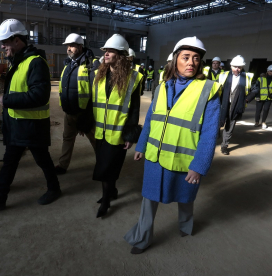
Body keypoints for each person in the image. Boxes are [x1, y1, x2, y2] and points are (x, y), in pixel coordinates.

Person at [124, 36, 221, 254]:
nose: (191, 62)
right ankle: (142, 237)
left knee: (185, 198)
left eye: (196, 58)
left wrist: (200, 165)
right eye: (186, 57)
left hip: (184, 160)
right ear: (175, 60)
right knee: (148, 198)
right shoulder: (161, 88)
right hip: (155, 155)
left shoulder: (209, 90)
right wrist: (141, 145)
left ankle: (185, 227)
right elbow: (150, 120)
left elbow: (209, 133)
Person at [0, 19, 61, 210]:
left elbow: (40, 95)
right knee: (9, 163)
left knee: (43, 160)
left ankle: (54, 188)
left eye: (4, 41)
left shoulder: (35, 62)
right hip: (17, 125)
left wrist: (8, 101)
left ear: (17, 40)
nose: (2, 46)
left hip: (32, 126)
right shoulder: (17, 62)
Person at [92, 34, 143, 218]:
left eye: (110, 50)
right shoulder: (100, 73)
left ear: (121, 55)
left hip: (119, 132)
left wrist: (130, 135)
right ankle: (110, 192)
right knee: (104, 166)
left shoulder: (133, 78)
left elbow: (135, 108)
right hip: (101, 131)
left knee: (108, 169)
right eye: (105, 50)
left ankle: (106, 201)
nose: (106, 53)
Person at [54, 33, 96, 175]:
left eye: (71, 46)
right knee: (67, 139)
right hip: (69, 113)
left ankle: (103, 164)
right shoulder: (68, 64)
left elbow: (96, 93)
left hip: (85, 113)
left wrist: (87, 116)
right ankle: (62, 165)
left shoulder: (91, 64)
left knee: (95, 141)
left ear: (80, 46)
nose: (68, 49)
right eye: (67, 46)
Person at [218, 55, 254, 155]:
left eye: (239, 67)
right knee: (217, 123)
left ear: (242, 67)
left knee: (230, 125)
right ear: (231, 66)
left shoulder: (247, 77)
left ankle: (224, 145)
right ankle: (213, 141)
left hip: (236, 105)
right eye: (235, 66)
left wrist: (246, 99)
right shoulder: (223, 75)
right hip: (222, 103)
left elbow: (255, 89)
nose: (237, 69)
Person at [247, 64, 272, 129]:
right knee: (258, 110)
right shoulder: (260, 78)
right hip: (260, 97)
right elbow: (257, 88)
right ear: (267, 71)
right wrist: (258, 96)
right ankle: (257, 122)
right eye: (270, 71)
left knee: (266, 110)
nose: (271, 72)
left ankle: (263, 122)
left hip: (269, 98)